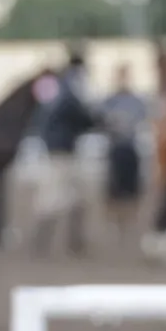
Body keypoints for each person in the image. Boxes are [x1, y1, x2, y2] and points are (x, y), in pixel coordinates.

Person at [29, 49, 98, 258]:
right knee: (57, 196)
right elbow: (81, 115)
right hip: (62, 150)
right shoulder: (70, 88)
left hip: (59, 147)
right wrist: (100, 121)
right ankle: (46, 242)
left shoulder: (58, 87)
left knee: (74, 195)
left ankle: (72, 242)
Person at [99, 63, 150, 237]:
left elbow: (144, 120)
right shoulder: (109, 101)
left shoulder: (136, 101)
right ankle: (114, 222)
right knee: (113, 187)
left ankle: (129, 222)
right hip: (116, 148)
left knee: (132, 187)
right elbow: (102, 122)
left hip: (130, 147)